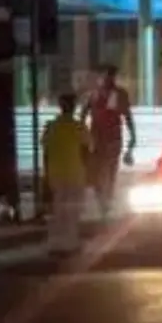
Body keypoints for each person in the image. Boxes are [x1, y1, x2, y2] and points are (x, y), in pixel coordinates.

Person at [80, 64, 136, 218]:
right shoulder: (93, 94)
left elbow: (128, 116)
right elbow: (83, 114)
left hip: (113, 138)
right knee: (96, 171)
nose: (108, 79)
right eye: (105, 75)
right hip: (96, 138)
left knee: (110, 170)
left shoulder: (120, 94)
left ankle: (107, 200)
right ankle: (102, 200)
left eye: (110, 76)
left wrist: (132, 139)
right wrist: (82, 135)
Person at [43, 93, 91, 256]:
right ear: (74, 107)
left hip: (55, 174)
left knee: (58, 210)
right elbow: (86, 151)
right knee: (72, 211)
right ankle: (71, 243)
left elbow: (46, 154)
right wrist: (87, 171)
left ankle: (55, 244)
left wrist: (46, 175)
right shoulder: (79, 127)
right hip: (75, 173)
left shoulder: (51, 127)